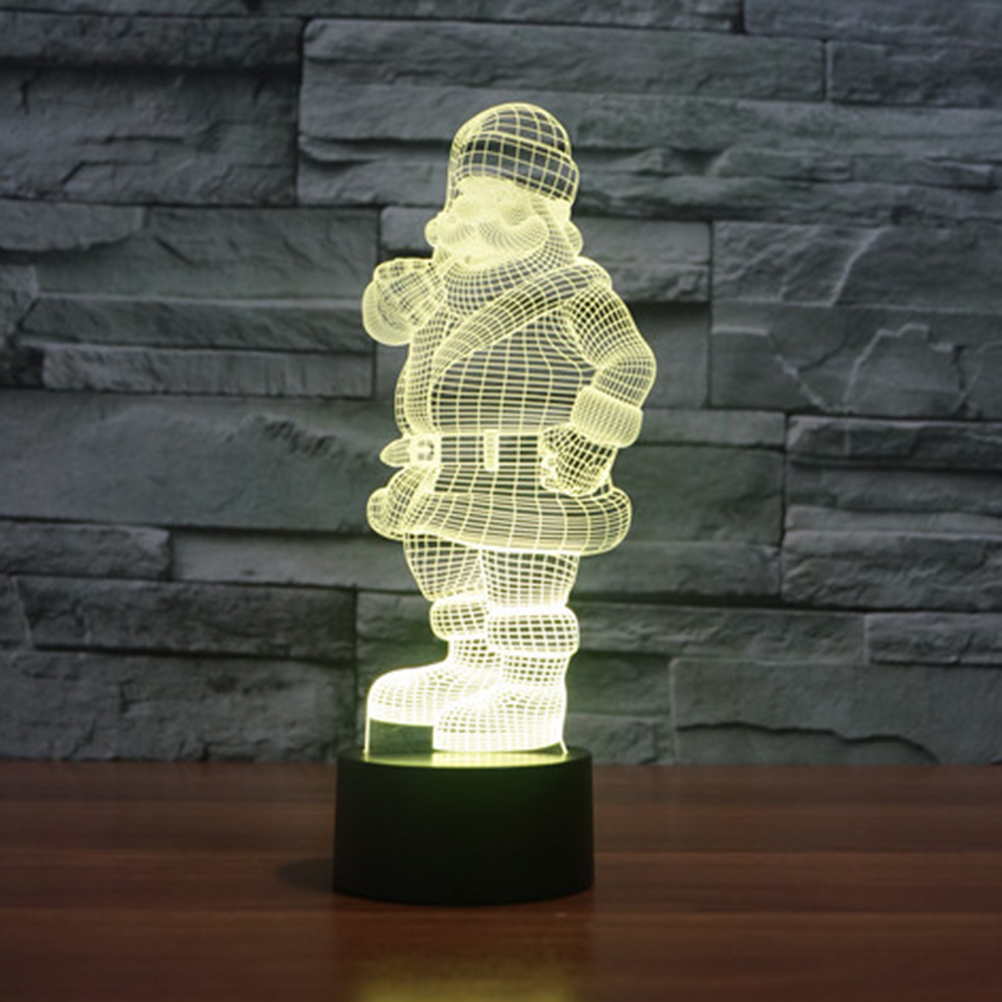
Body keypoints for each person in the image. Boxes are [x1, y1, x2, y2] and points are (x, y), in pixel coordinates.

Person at [361, 103, 656, 753]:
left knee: (521, 578)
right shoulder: (442, 285)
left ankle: (531, 685)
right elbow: (384, 325)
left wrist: (590, 439)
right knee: (449, 574)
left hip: (527, 471)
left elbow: (630, 363)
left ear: (541, 212)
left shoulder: (574, 293)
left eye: (500, 199)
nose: (476, 213)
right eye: (467, 195)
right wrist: (396, 292)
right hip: (441, 469)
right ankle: (469, 664)